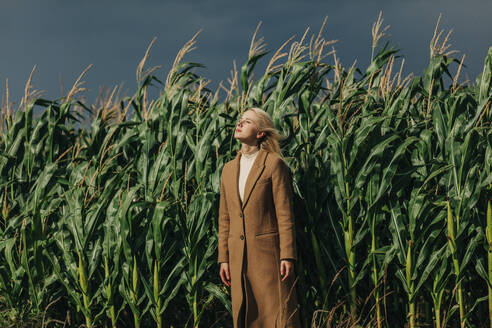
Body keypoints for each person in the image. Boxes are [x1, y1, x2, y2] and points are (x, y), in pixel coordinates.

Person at [217, 107, 302, 328]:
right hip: (238, 258)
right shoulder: (227, 170)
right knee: (247, 317)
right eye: (240, 119)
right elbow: (224, 219)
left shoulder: (274, 164)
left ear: (261, 132)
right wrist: (223, 258)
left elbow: (285, 214)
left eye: (247, 121)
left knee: (276, 317)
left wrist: (288, 256)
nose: (240, 123)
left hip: (268, 258)